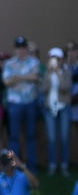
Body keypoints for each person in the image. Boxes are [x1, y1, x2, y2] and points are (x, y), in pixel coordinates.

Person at [3, 36, 41, 171]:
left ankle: (31, 165)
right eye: (18, 48)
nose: (21, 50)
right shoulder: (9, 63)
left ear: (26, 48)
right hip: (14, 103)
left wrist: (17, 77)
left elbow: (35, 77)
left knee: (31, 135)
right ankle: (14, 165)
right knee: (14, 136)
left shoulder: (34, 62)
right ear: (15, 49)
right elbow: (7, 82)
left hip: (30, 102)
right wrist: (25, 77)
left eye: (23, 47)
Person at [40, 47, 72, 176]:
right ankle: (52, 165)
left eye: (57, 58)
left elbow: (66, 87)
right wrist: (49, 73)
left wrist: (58, 74)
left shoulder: (66, 72)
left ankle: (64, 165)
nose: (55, 61)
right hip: (49, 108)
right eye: (52, 58)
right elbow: (43, 89)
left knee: (64, 137)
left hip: (64, 107)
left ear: (61, 59)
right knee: (52, 138)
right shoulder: (47, 73)